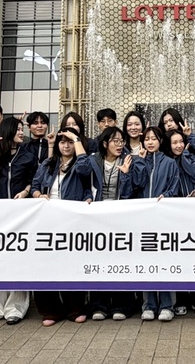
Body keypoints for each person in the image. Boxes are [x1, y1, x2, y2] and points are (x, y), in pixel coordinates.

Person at [0, 117, 38, 326]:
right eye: (18, 129)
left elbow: (33, 179)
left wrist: (26, 191)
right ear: (8, 130)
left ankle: (15, 307)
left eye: (22, 129)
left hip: (20, 213)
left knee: (19, 259)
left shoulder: (27, 154)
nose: (22, 132)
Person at [30, 127, 91, 326]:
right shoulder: (48, 164)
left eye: (70, 141)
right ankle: (49, 311)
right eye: (63, 141)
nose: (66, 145)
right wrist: (39, 195)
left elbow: (85, 170)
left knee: (71, 264)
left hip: (72, 221)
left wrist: (76, 139)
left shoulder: (81, 162)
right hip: (47, 220)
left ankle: (75, 308)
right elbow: (35, 186)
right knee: (45, 264)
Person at [82, 126, 138, 321]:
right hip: (97, 216)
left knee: (121, 261)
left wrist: (126, 174)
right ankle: (99, 305)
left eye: (121, 141)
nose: (120, 144)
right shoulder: (93, 160)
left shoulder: (127, 160)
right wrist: (88, 197)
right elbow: (84, 183)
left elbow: (131, 192)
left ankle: (123, 304)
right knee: (99, 260)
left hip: (120, 217)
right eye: (115, 141)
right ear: (105, 144)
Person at [132, 126, 179, 322]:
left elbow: (174, 187)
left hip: (164, 218)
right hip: (144, 218)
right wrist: (139, 162)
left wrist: (166, 196)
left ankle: (167, 305)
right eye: (147, 139)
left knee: (165, 261)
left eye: (154, 138)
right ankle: (149, 305)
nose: (150, 142)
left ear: (160, 141)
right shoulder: (139, 160)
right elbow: (136, 184)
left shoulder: (169, 163)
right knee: (147, 261)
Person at [164, 128, 195, 317]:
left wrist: (185, 156)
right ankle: (181, 299)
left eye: (181, 142)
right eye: (174, 143)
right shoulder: (167, 162)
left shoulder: (193, 158)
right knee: (179, 256)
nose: (178, 145)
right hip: (176, 214)